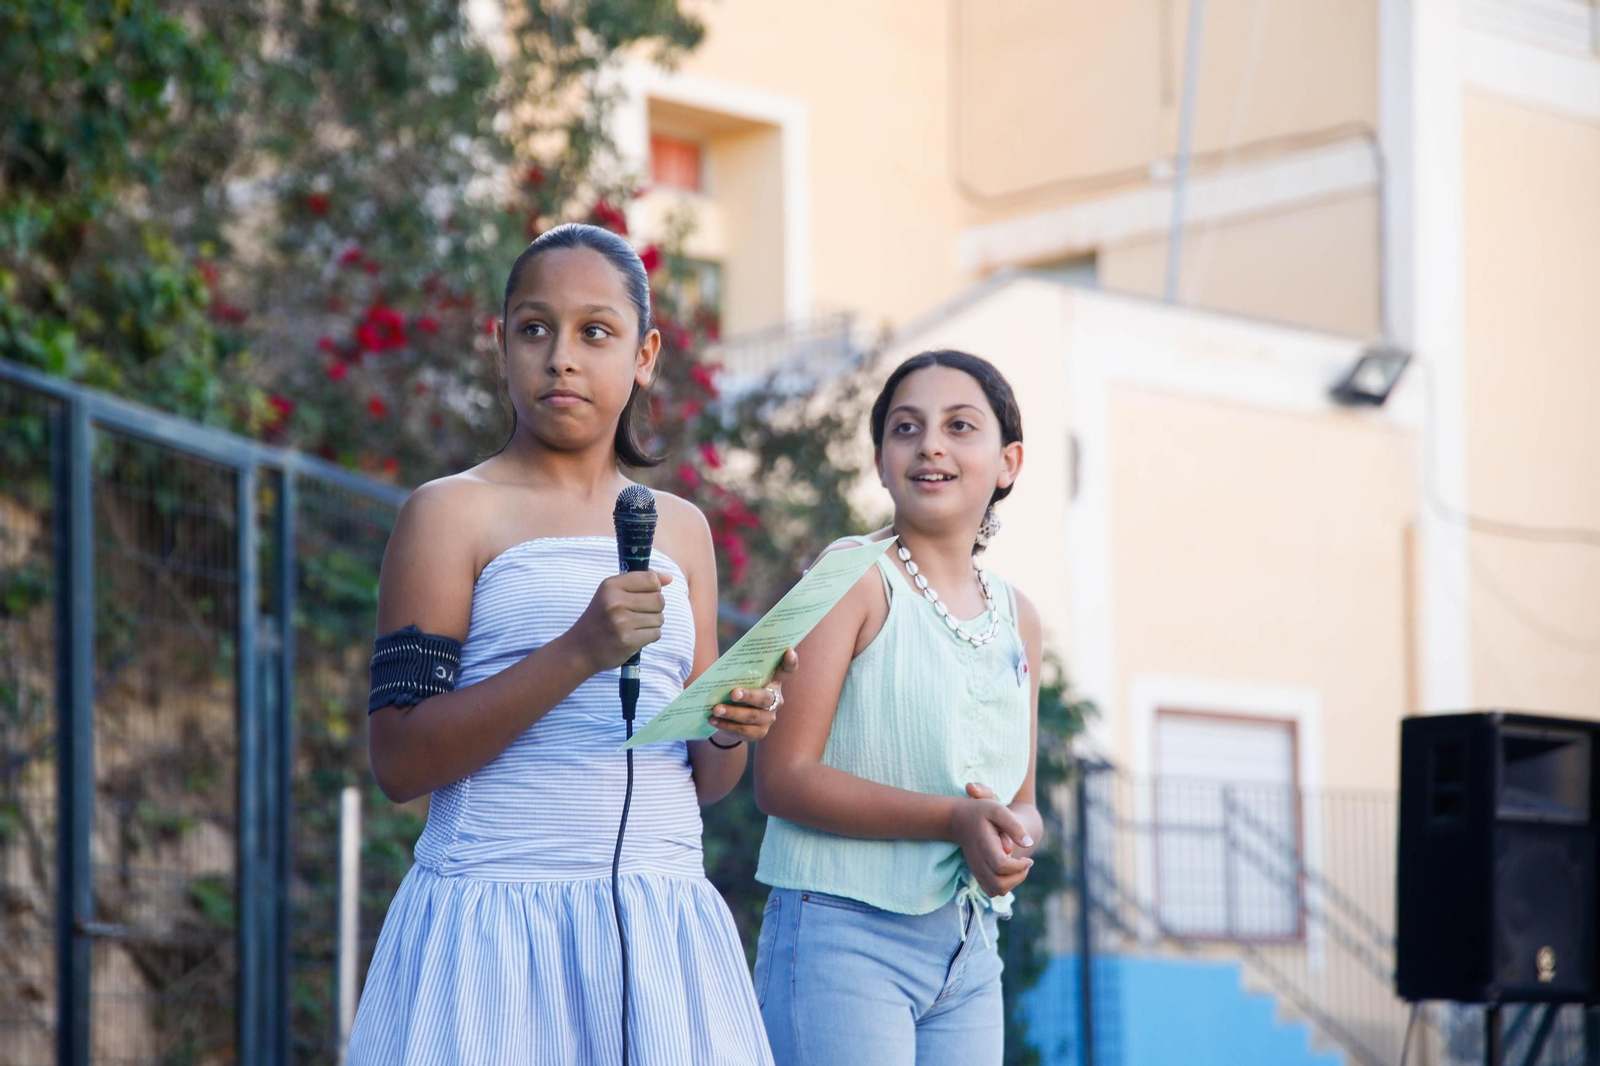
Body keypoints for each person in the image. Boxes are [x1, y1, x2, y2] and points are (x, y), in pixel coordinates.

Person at [346, 222, 790, 1065]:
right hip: (491, 935)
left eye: (595, 331)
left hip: (661, 935)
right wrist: (576, 653)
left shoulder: (685, 533)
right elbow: (400, 760)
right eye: (534, 328)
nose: (561, 357)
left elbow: (704, 781)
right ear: (500, 344)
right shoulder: (448, 514)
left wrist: (730, 722)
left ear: (645, 354)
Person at [751, 350, 1043, 1066]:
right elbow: (782, 777)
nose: (931, 445)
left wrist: (1012, 840)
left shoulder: (1019, 616)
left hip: (970, 950)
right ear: (882, 462)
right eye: (906, 428)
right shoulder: (849, 573)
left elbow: (1026, 801)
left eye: (959, 426)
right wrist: (952, 819)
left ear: (1008, 463)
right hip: (840, 937)